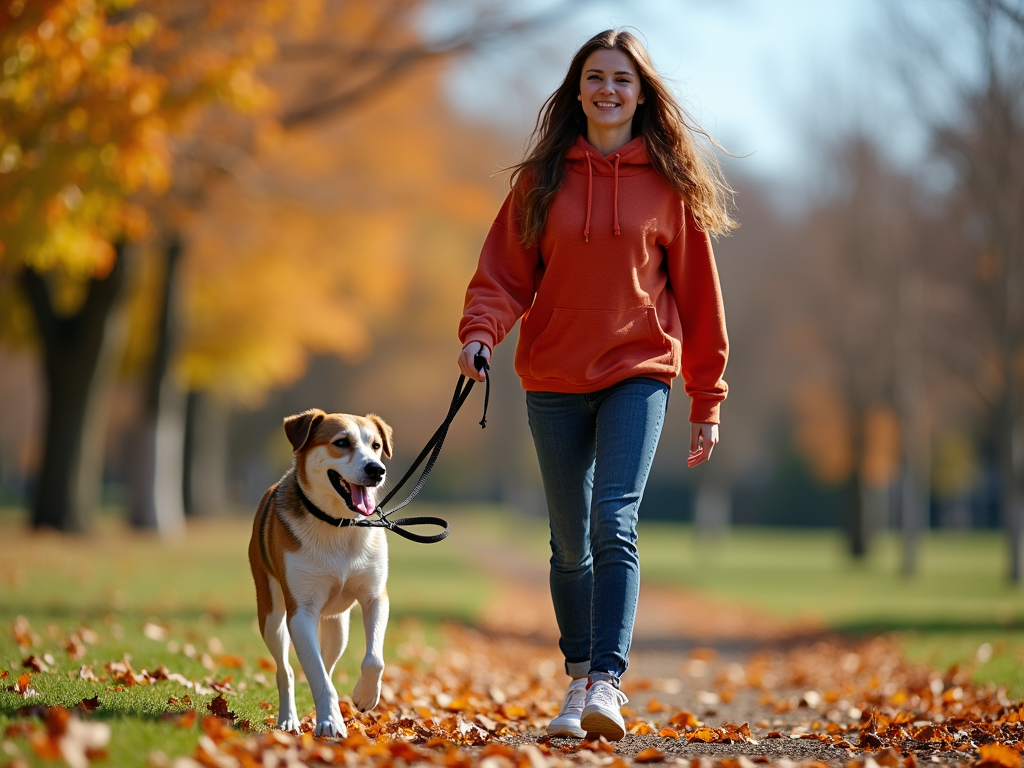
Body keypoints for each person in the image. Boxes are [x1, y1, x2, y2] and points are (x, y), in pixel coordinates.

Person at [456, 28, 734, 741]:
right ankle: (576, 681)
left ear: (642, 95)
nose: (608, 89)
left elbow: (701, 301)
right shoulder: (542, 180)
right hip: (551, 374)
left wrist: (707, 398)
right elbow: (502, 275)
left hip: (638, 371)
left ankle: (607, 682)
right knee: (568, 542)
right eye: (596, 76)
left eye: (622, 79)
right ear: (577, 89)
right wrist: (480, 335)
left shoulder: (669, 187)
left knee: (615, 520)